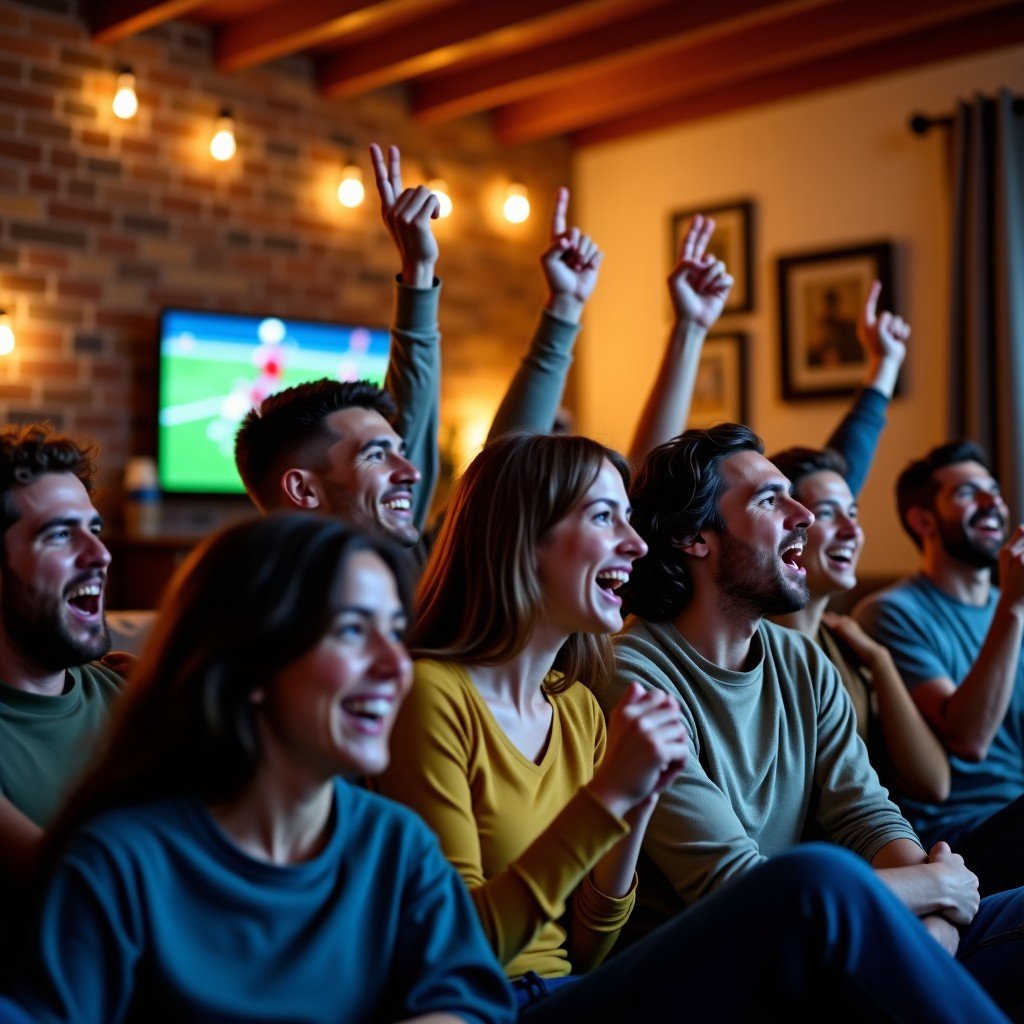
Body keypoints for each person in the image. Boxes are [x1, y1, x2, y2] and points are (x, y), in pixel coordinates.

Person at [374, 430, 1007, 1023]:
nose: (633, 543)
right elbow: (457, 949)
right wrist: (609, 802)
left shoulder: (575, 708)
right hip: (507, 1002)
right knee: (821, 879)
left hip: (582, 982)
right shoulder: (441, 695)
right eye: (604, 518)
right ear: (523, 538)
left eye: (627, 518)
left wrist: (937, 916)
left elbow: (587, 947)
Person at [7, 515, 515, 1024]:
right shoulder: (120, 860)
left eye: (395, 632)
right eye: (354, 631)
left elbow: (466, 1000)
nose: (397, 665)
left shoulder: (396, 845)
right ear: (250, 664)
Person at [596, 423, 1024, 1016]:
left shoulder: (802, 660)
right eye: (770, 500)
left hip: (846, 923)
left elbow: (867, 816)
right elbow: (740, 891)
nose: (804, 516)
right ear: (695, 536)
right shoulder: (633, 678)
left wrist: (935, 929)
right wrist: (937, 887)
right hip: (731, 966)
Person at [235, 146, 605, 549]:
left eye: (399, 451)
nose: (412, 471)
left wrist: (420, 268)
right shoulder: (276, 607)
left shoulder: (419, 571)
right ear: (304, 490)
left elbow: (502, 463)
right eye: (376, 455)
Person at [855, 441, 1024, 897]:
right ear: (923, 520)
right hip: (953, 837)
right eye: (969, 493)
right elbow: (970, 738)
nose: (994, 502)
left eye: (994, 490)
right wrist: (1013, 604)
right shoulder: (891, 613)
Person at [768, 446, 950, 804]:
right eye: (828, 514)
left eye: (853, 513)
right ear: (787, 525)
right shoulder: (744, 647)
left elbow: (933, 782)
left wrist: (881, 663)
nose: (853, 530)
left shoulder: (849, 648)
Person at [0, 424, 124, 883]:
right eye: (58, 535)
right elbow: (70, 890)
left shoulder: (134, 693)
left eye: (94, 529)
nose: (100, 554)